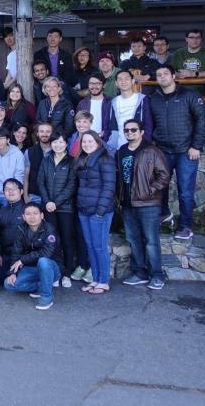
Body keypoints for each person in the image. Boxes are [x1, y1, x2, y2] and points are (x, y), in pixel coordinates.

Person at [149, 65, 205, 237]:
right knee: (160, 187)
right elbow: (150, 123)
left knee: (185, 192)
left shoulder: (189, 95)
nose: (162, 77)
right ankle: (164, 213)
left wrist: (196, 146)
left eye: (165, 74)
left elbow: (201, 120)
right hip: (163, 151)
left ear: (173, 75)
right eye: (158, 75)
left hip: (186, 151)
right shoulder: (154, 98)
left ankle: (185, 227)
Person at [118, 118, 170, 291]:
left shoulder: (151, 151)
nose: (129, 133)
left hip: (148, 204)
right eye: (126, 130)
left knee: (151, 241)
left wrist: (148, 191)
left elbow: (164, 175)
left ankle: (157, 275)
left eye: (133, 130)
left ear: (141, 132)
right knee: (133, 240)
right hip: (127, 203)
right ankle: (140, 273)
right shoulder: (122, 151)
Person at [75, 131, 116, 295]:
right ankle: (96, 279)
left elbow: (109, 187)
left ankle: (104, 281)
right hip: (84, 210)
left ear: (98, 142)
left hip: (99, 211)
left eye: (90, 141)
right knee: (91, 247)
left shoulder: (105, 159)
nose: (86, 144)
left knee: (100, 247)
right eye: (84, 142)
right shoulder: (83, 160)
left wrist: (100, 211)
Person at [36, 132, 77, 287]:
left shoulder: (71, 161)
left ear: (66, 144)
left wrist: (56, 202)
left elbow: (71, 185)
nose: (57, 145)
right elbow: (40, 181)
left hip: (65, 208)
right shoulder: (46, 160)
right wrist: (47, 202)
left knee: (66, 240)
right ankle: (54, 273)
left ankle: (66, 274)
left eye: (61, 142)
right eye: (55, 142)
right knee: (52, 241)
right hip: (48, 208)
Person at [4, 202, 62, 310]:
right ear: (23, 217)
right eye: (28, 214)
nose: (32, 217)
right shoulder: (21, 229)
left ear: (42, 215)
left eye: (35, 213)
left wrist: (23, 260)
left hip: (51, 268)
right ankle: (41, 285)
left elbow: (46, 253)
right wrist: (12, 273)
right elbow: (16, 252)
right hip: (32, 268)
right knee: (8, 284)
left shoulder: (49, 229)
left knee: (43, 261)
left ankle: (47, 296)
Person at [110, 69, 153, 148]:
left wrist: (145, 143)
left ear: (132, 81)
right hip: (119, 146)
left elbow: (148, 124)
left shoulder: (142, 99)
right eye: (120, 79)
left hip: (139, 146)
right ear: (116, 83)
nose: (123, 81)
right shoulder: (114, 102)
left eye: (127, 79)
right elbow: (112, 126)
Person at [170, 29, 205, 95]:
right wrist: (178, 74)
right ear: (186, 39)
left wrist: (193, 74)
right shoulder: (178, 54)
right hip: (181, 92)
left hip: (204, 93)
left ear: (201, 39)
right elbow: (169, 71)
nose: (195, 40)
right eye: (191, 37)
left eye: (198, 37)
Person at [76, 73, 114, 142]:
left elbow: (114, 124)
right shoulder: (82, 104)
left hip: (105, 141)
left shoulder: (111, 102)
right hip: (86, 141)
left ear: (104, 85)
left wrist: (105, 133)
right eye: (91, 83)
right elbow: (78, 123)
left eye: (97, 83)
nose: (94, 86)